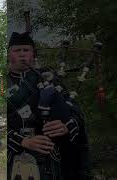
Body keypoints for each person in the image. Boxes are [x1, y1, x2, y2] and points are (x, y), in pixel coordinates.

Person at [7, 32, 90, 180]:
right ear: (9, 54)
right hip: (16, 156)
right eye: (17, 50)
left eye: (26, 50)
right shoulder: (2, 84)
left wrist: (67, 126)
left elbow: (74, 109)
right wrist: (22, 141)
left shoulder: (48, 77)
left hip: (54, 154)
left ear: (33, 54)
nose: (22, 55)